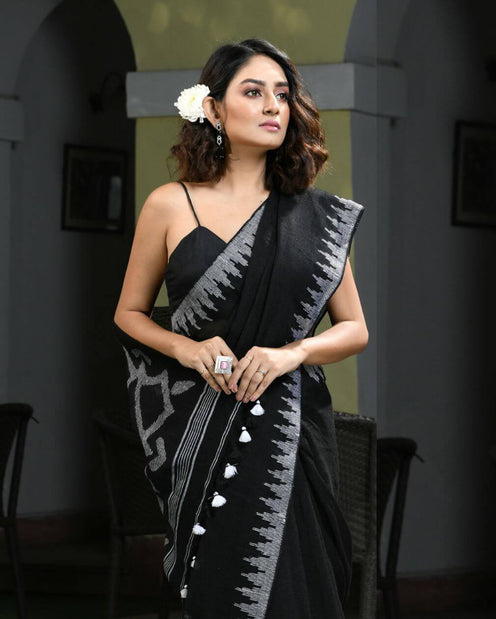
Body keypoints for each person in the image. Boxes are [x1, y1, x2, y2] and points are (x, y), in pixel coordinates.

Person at [113, 39, 367, 618]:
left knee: (297, 587)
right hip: (201, 423)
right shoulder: (170, 204)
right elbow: (128, 313)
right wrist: (186, 347)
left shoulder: (315, 217)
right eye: (253, 92)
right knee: (221, 584)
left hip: (290, 429)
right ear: (213, 108)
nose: (273, 106)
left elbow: (354, 329)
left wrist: (290, 354)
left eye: (282, 94)